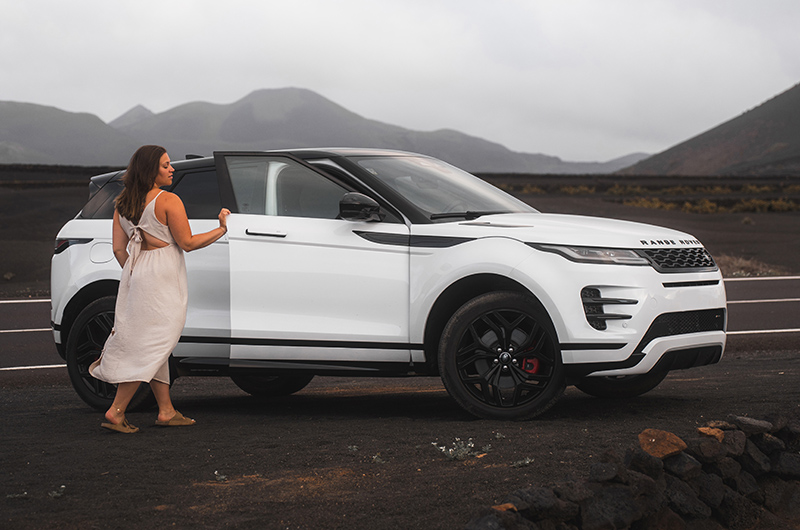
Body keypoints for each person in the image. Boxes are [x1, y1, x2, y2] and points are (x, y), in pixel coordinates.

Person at [89, 145, 230, 433]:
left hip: (136, 272)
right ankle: (116, 410)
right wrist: (221, 228)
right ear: (151, 170)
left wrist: (136, 271)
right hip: (163, 276)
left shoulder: (121, 203)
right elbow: (188, 243)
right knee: (154, 342)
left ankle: (166, 410)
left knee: (154, 341)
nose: (172, 169)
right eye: (166, 165)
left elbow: (118, 249)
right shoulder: (168, 200)